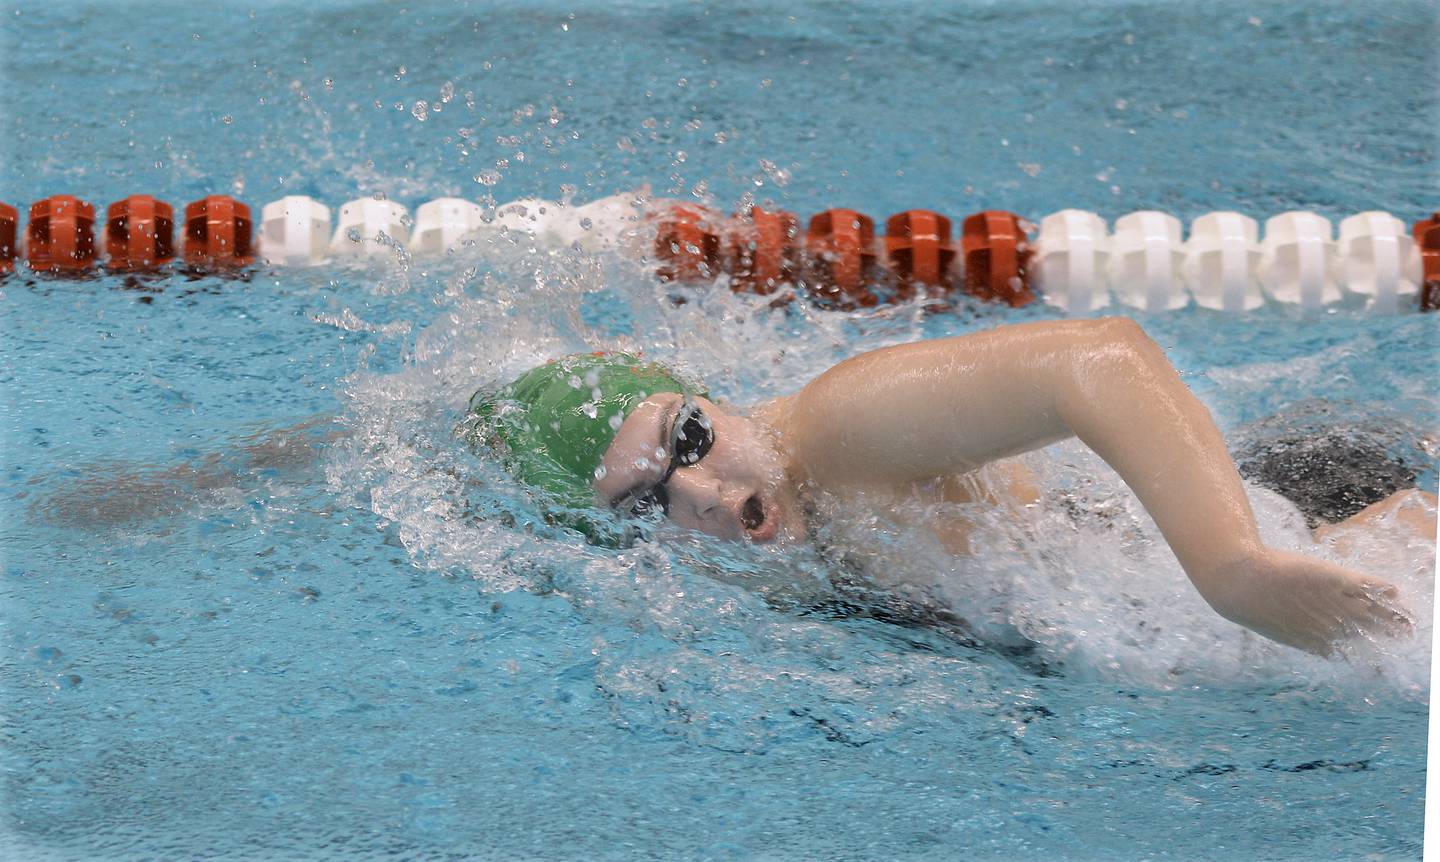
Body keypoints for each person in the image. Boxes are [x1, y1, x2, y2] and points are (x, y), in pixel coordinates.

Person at [468, 317, 1434, 656]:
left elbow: (1097, 357)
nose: (712, 499)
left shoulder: (841, 431)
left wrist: (1232, 566)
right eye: (649, 505)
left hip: (1300, 514)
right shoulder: (722, 569)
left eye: (691, 438)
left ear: (717, 400)